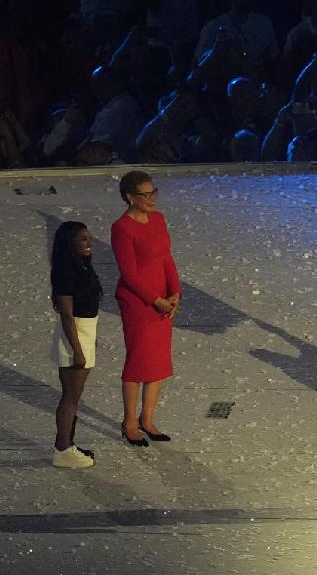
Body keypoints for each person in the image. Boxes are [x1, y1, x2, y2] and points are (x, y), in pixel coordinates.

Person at [111, 170, 182, 447]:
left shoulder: (159, 219)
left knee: (158, 361)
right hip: (138, 302)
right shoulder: (122, 228)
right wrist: (156, 300)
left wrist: (175, 291)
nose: (152, 198)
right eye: (145, 194)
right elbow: (129, 273)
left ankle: (147, 418)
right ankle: (129, 422)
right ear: (130, 197)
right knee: (139, 361)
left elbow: (166, 258)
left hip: (162, 298)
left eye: (154, 192)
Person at [50, 221, 102, 469]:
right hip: (75, 334)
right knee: (70, 396)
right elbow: (67, 316)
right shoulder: (66, 271)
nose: (89, 243)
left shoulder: (80, 266)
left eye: (89, 237)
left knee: (74, 396)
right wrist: (78, 350)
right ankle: (62, 449)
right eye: (83, 239)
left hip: (85, 330)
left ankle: (68, 444)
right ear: (70, 242)